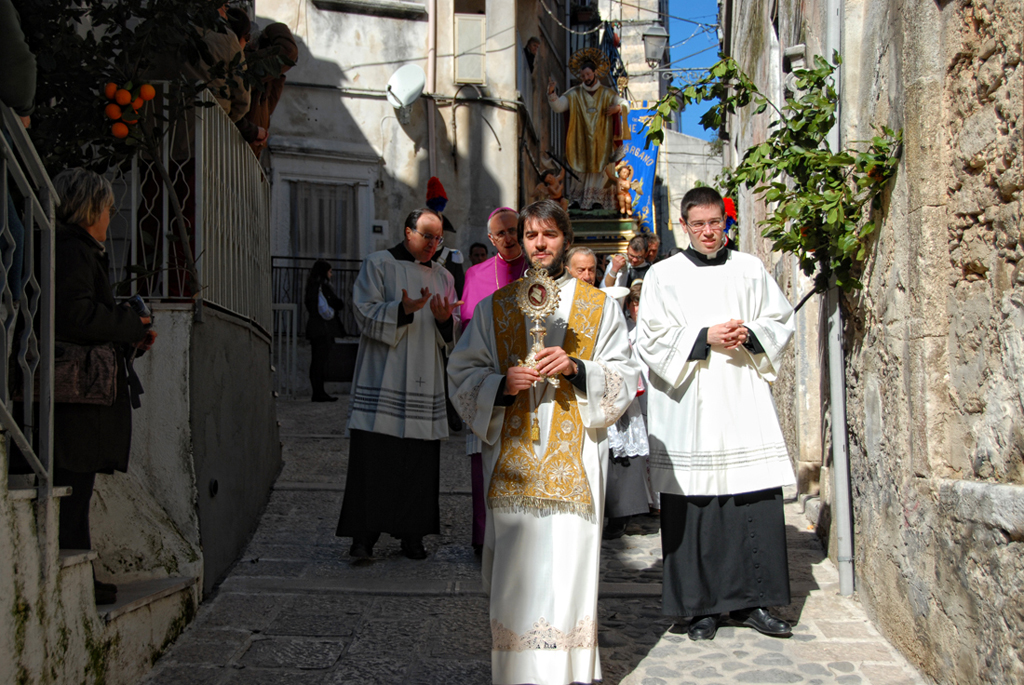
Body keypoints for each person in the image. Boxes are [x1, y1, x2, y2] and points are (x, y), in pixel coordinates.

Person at [448, 200, 639, 685]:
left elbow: (625, 374)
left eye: (548, 235)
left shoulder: (599, 309)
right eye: (531, 235)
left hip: (575, 464)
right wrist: (499, 383)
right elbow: (461, 373)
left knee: (569, 572)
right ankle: (517, 675)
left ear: (564, 238)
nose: (538, 244)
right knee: (516, 574)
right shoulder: (496, 307)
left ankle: (569, 673)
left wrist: (578, 369)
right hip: (513, 463)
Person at [637, 186, 796, 641]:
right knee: (697, 503)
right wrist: (705, 335)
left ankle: (754, 603)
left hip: (740, 397)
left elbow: (780, 319)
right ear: (683, 226)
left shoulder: (749, 268)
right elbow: (649, 337)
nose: (709, 232)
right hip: (691, 404)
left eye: (716, 223)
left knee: (753, 500)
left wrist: (749, 331)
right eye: (699, 224)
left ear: (726, 223)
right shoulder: (663, 275)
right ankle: (701, 608)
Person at [51, 169, 157, 605]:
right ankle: (75, 581)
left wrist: (129, 334)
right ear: (91, 208)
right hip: (75, 396)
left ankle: (81, 574)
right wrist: (129, 322)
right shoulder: (73, 251)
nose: (112, 217)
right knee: (73, 485)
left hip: (79, 394)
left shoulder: (73, 249)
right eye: (108, 209)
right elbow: (76, 316)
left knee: (77, 487)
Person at [335, 208, 459, 560]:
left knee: (418, 461)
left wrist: (443, 321)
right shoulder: (378, 264)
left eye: (439, 239)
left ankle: (413, 534)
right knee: (374, 459)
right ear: (408, 233)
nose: (434, 245)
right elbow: (362, 311)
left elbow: (453, 333)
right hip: (383, 376)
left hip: (424, 381)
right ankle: (363, 539)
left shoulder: (444, 277)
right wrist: (402, 309)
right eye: (427, 236)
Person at [458, 207, 526, 555]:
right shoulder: (476, 274)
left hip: (532, 374)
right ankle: (484, 536)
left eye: (514, 230)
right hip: (492, 375)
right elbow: (467, 325)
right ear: (490, 239)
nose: (509, 237)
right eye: (501, 234)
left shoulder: (537, 269)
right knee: (484, 453)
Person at [548, 50, 628, 209]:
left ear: (595, 73)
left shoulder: (607, 93)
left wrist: (618, 108)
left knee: (600, 170)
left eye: (588, 74)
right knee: (580, 169)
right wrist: (551, 93)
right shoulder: (574, 93)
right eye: (583, 76)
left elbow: (626, 104)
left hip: (602, 140)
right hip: (581, 139)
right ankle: (579, 199)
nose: (586, 78)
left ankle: (597, 201)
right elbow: (558, 106)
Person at [603, 280, 651, 539]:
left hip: (623, 398)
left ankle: (623, 514)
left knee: (624, 460)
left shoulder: (627, 329)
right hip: (598, 395)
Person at [236, 22, 298, 156]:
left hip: (245, 162)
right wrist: (271, 30)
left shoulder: (261, 84)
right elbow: (289, 51)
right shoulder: (244, 68)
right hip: (236, 158)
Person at [304, 259, 343, 402]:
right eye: (330, 272)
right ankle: (319, 392)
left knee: (318, 361)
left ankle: (318, 392)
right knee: (320, 361)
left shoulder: (312, 286)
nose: (331, 275)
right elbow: (331, 306)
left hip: (316, 329)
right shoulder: (321, 287)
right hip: (321, 330)